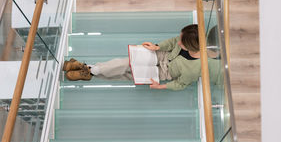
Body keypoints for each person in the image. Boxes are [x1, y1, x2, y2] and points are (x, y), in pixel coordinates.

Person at [63, 24, 202, 91]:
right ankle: (93, 70)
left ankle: (88, 70)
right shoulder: (192, 36)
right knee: (125, 63)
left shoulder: (195, 68)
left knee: (126, 76)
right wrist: (157, 46)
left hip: (162, 74)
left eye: (182, 43)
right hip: (158, 56)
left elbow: (181, 84)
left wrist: (161, 86)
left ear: (191, 47)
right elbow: (173, 41)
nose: (179, 42)